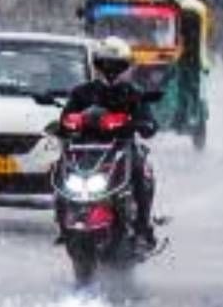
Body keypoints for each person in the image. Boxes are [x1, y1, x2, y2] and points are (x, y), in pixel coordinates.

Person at [58, 36, 159, 248]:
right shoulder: (81, 92)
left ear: (125, 66)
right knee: (60, 171)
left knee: (142, 173)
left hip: (122, 147)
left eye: (116, 65)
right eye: (105, 64)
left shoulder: (133, 92)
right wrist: (64, 126)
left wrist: (143, 124)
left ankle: (142, 228)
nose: (110, 69)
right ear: (97, 64)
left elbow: (149, 123)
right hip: (85, 150)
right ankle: (62, 224)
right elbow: (65, 119)